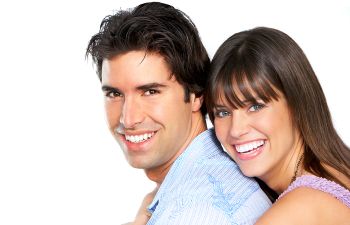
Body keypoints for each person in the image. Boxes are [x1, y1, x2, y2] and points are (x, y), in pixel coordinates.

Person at [86, 2, 271, 225]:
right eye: (114, 94)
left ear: (196, 95)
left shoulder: (194, 212)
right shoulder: (185, 191)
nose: (128, 118)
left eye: (150, 91)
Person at [206, 27, 350, 224]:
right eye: (223, 112)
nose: (236, 130)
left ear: (297, 103)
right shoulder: (335, 173)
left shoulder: (299, 210)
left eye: (255, 106)